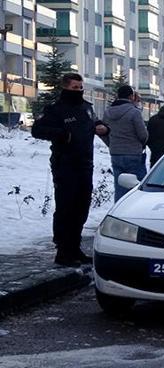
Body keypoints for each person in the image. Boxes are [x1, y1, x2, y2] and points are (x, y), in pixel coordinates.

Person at [31, 73, 110, 267]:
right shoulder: (55, 110)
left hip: (85, 164)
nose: (79, 91)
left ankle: (75, 248)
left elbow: (95, 122)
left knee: (81, 209)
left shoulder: (86, 108)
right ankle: (63, 251)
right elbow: (37, 130)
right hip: (65, 165)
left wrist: (102, 127)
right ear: (65, 87)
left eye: (80, 87)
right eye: (75, 88)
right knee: (66, 208)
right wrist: (63, 135)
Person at [102, 85, 149, 201]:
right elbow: (143, 135)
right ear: (131, 96)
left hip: (116, 153)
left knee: (120, 186)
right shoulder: (134, 112)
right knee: (137, 187)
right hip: (133, 153)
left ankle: (119, 209)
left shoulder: (108, 112)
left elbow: (103, 132)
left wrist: (111, 143)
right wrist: (141, 143)